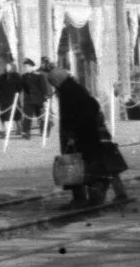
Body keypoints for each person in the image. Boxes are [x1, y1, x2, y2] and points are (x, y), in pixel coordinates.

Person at [44, 62, 129, 208]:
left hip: (82, 137)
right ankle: (111, 194)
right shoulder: (75, 88)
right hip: (92, 135)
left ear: (57, 81)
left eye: (53, 83)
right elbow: (92, 108)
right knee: (100, 165)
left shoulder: (68, 92)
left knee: (82, 166)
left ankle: (86, 198)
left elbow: (73, 115)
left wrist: (72, 132)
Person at [0, 53, 24, 134]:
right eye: (6, 66)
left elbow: (20, 87)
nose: (7, 67)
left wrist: (16, 93)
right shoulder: (2, 77)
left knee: (16, 114)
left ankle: (19, 129)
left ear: (12, 67)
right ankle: (6, 130)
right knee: (5, 115)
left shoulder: (16, 76)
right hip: (4, 99)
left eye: (8, 66)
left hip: (14, 97)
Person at [18, 58, 47, 137]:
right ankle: (26, 132)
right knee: (27, 116)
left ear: (31, 67)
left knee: (40, 117)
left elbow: (44, 88)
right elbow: (21, 87)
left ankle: (44, 130)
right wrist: (17, 92)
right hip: (28, 100)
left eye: (27, 67)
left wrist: (45, 99)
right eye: (25, 67)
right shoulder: (23, 76)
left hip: (38, 99)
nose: (26, 68)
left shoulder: (39, 76)